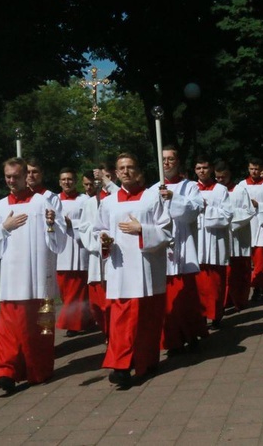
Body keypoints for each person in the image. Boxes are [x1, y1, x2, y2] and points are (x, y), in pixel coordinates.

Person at [0, 157, 66, 393]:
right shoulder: (0, 206)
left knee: (40, 330)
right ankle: (5, 372)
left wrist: (52, 224)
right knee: (7, 330)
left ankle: (38, 370)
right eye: (8, 176)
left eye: (16, 176)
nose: (11, 180)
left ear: (26, 176)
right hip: (12, 278)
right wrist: (4, 228)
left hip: (39, 278)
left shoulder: (44, 201)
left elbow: (59, 240)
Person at [96, 153, 172, 388]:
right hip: (120, 268)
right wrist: (103, 240)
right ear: (116, 173)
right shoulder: (108, 202)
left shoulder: (152, 198)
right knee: (121, 320)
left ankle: (146, 361)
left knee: (146, 320)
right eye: (122, 168)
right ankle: (120, 365)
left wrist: (143, 230)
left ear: (137, 170)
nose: (126, 171)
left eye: (130, 167)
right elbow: (98, 230)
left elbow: (167, 231)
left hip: (146, 267)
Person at [151, 146, 208, 356]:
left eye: (171, 159)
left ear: (178, 162)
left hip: (183, 244)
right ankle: (172, 340)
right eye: (163, 159)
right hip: (162, 248)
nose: (166, 163)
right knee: (166, 301)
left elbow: (193, 212)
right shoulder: (152, 189)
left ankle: (190, 335)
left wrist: (174, 197)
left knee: (185, 298)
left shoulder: (190, 186)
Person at [78, 166, 118, 341]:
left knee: (115, 302)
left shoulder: (119, 198)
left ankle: (117, 335)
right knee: (98, 305)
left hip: (118, 257)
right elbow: (84, 228)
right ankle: (107, 333)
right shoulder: (90, 203)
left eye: (107, 176)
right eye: (101, 178)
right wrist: (98, 240)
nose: (103, 180)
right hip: (98, 258)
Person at [194, 156, 233, 329]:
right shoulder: (190, 189)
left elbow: (226, 216)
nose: (202, 171)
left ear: (211, 170)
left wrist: (206, 208)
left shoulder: (220, 190)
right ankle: (200, 317)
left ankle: (216, 315)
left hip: (215, 241)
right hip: (196, 242)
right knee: (199, 286)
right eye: (198, 168)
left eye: (205, 167)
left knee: (215, 283)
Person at [55, 168, 94, 337]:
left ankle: (72, 323)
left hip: (78, 248)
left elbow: (90, 222)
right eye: (63, 179)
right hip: (61, 250)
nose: (67, 182)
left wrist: (73, 223)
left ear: (75, 181)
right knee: (65, 291)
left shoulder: (84, 200)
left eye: (70, 179)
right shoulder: (54, 200)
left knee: (77, 289)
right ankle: (83, 318)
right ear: (59, 182)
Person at [215, 161, 255, 313]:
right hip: (222, 238)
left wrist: (229, 220)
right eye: (217, 178)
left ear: (229, 175)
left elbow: (249, 211)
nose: (220, 181)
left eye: (223, 177)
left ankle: (240, 300)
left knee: (240, 273)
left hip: (239, 237)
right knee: (226, 273)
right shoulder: (215, 191)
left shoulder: (240, 190)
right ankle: (225, 302)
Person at [237, 157, 263, 300]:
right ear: (248, 169)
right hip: (248, 225)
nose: (254, 171)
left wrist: (259, 205)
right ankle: (258, 286)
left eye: (256, 169)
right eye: (251, 169)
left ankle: (259, 286)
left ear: (261, 169)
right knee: (252, 258)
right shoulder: (242, 185)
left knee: (261, 256)